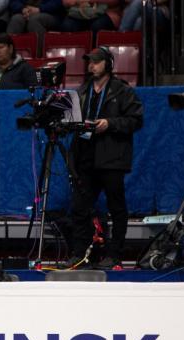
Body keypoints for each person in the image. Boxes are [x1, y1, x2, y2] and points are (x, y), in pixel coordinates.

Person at [67, 47, 143, 270]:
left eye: (96, 61)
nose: (91, 65)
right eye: (89, 62)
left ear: (108, 64)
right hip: (85, 157)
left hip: (112, 158)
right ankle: (80, 254)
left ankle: (114, 255)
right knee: (80, 208)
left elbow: (136, 120)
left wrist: (110, 124)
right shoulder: (82, 91)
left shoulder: (122, 90)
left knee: (116, 208)